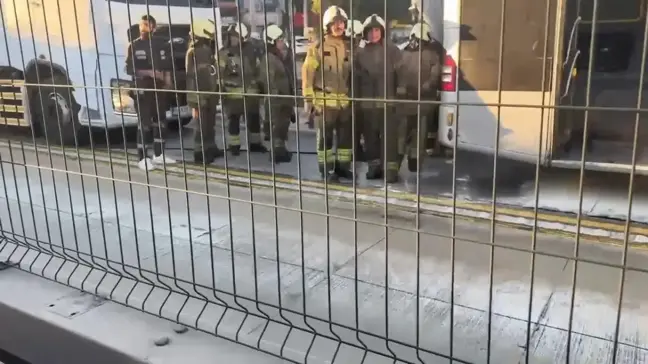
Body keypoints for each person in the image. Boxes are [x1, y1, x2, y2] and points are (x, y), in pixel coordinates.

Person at [302, 5, 353, 182]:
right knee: (325, 140)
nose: (339, 26)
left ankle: (342, 168)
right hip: (324, 103)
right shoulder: (318, 47)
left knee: (345, 140)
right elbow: (308, 74)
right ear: (327, 25)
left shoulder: (348, 47)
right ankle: (326, 171)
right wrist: (310, 101)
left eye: (342, 23)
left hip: (344, 104)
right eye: (335, 23)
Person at [125, 14, 176, 171]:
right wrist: (149, 72)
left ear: (153, 27)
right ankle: (143, 158)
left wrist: (168, 81)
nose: (143, 27)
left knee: (160, 121)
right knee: (144, 124)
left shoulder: (160, 45)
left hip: (158, 89)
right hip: (143, 89)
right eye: (142, 24)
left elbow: (167, 65)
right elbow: (129, 69)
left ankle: (159, 155)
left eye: (147, 24)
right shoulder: (133, 46)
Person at [356, 14, 402, 183]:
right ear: (365, 33)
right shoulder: (359, 53)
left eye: (377, 30)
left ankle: (390, 171)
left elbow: (401, 74)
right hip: (368, 105)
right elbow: (355, 78)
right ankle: (374, 168)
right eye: (370, 30)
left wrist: (401, 93)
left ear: (382, 31)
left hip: (388, 103)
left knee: (390, 138)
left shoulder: (393, 51)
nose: (374, 34)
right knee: (371, 139)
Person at [396, 21, 441, 174]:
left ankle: (396, 162)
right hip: (424, 102)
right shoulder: (433, 55)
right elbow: (435, 76)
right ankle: (414, 164)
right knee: (419, 135)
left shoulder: (403, 53)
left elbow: (396, 74)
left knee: (402, 134)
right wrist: (425, 88)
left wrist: (401, 89)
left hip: (405, 102)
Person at [217, 23, 267, 156]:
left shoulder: (252, 51)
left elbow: (259, 69)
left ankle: (255, 144)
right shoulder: (224, 53)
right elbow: (219, 73)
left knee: (254, 120)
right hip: (233, 95)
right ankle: (234, 146)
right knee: (233, 121)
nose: (233, 39)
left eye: (236, 36)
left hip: (251, 94)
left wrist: (261, 87)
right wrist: (220, 91)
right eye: (232, 36)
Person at [185, 19, 225, 164]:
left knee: (209, 123)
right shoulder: (198, 51)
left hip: (207, 94)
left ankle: (210, 148)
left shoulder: (203, 49)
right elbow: (201, 77)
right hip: (201, 95)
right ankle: (200, 152)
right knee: (202, 125)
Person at [258, 24, 296, 164]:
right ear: (272, 41)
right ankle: (276, 152)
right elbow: (269, 83)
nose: (283, 42)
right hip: (277, 102)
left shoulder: (279, 57)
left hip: (284, 100)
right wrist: (276, 103)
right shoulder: (269, 59)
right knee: (277, 126)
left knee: (283, 126)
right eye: (280, 39)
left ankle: (280, 149)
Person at [346, 18, 366, 162]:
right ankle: (353, 151)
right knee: (351, 126)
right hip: (349, 94)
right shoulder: (351, 52)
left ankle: (356, 150)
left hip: (358, 94)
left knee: (356, 125)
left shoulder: (357, 51)